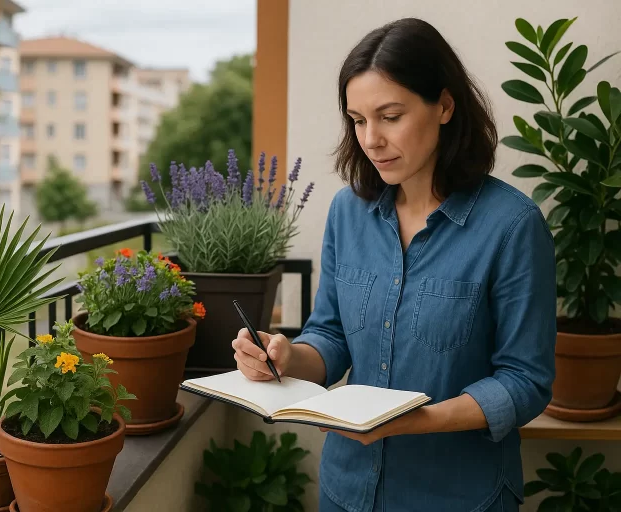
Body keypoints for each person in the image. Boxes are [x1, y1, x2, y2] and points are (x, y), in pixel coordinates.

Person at [231, 17, 556, 512]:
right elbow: (333, 336)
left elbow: (524, 381)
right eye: (358, 120)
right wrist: (286, 357)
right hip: (348, 490)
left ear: (444, 106)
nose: (371, 139)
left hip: (458, 496)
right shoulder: (347, 212)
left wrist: (417, 420)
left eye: (390, 116)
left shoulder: (512, 226)